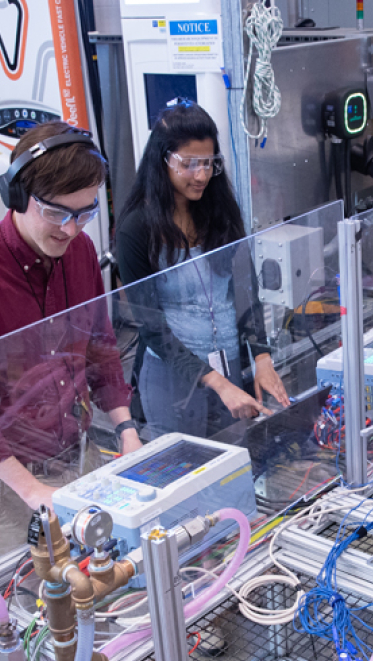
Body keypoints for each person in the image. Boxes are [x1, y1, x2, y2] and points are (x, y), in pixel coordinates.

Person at [0, 121, 141, 560]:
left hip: (77, 457)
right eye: (57, 213)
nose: (70, 229)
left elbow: (100, 345)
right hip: (10, 482)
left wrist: (125, 428)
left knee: (102, 587)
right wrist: (33, 492)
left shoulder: (80, 251)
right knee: (39, 611)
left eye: (84, 213)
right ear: (17, 195)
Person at [115, 99, 289, 440]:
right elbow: (153, 329)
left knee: (235, 467)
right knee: (184, 477)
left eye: (209, 164)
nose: (202, 175)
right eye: (190, 164)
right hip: (173, 381)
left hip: (228, 367)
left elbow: (244, 292)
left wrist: (262, 357)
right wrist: (218, 383)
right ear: (162, 160)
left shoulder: (219, 213)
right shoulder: (136, 229)